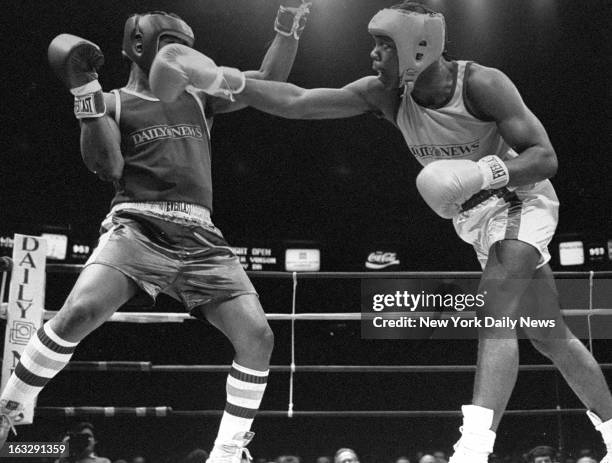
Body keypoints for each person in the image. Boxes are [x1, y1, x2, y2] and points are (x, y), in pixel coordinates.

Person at [147, 2, 612, 462]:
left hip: (518, 200)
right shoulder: (385, 94)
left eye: (384, 46)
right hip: (476, 220)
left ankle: (472, 450)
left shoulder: (481, 83)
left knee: (495, 309)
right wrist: (223, 81)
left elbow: (544, 157)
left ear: (418, 48)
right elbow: (299, 103)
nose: (373, 55)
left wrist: (482, 173)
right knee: (550, 336)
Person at [0, 3, 311, 460]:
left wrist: (290, 19)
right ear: (139, 46)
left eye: (187, 48)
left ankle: (227, 452)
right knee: (79, 312)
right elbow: (106, 165)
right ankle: (8, 409)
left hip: (202, 237)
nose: (181, 56)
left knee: (258, 337)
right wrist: (85, 90)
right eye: (171, 45)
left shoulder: (200, 96)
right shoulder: (112, 101)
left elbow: (267, 79)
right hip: (138, 226)